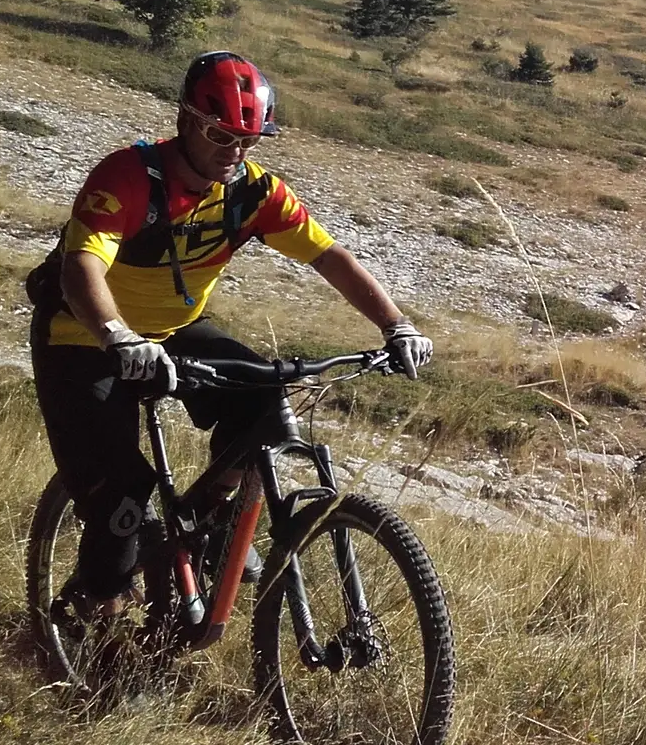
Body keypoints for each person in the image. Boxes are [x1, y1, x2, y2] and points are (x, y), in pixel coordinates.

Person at [28, 51, 433, 615]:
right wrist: (117, 335)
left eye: (249, 140)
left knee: (265, 401)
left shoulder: (255, 193)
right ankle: (94, 607)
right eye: (221, 135)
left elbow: (327, 255)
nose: (235, 152)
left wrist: (397, 324)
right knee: (121, 489)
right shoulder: (126, 177)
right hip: (83, 337)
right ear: (185, 119)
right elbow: (81, 269)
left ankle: (208, 525)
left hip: (174, 329)